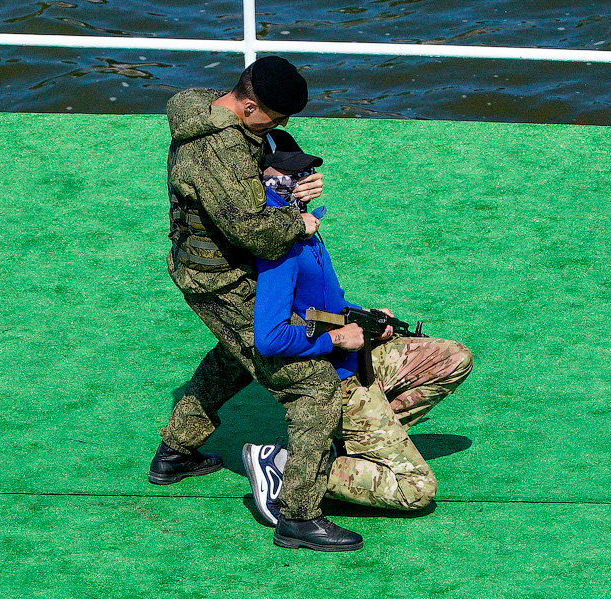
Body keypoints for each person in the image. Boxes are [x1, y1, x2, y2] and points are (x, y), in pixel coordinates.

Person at [147, 56, 362, 552]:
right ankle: (298, 515)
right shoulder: (216, 149)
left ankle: (176, 451)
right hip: (221, 282)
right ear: (248, 106)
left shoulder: (212, 109)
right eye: (275, 119)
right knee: (311, 384)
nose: (279, 128)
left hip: (221, 270)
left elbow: (248, 191)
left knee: (236, 356)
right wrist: (298, 219)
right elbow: (255, 232)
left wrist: (289, 185)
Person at [241, 130, 473, 544]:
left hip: (355, 359)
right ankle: (288, 465)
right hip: (338, 379)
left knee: (453, 357)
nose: (306, 180)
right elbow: (270, 339)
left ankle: (351, 445)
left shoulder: (303, 226)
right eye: (291, 173)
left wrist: (366, 320)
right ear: (265, 180)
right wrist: (336, 341)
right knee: (416, 489)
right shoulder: (280, 244)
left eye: (305, 171)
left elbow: (318, 304)